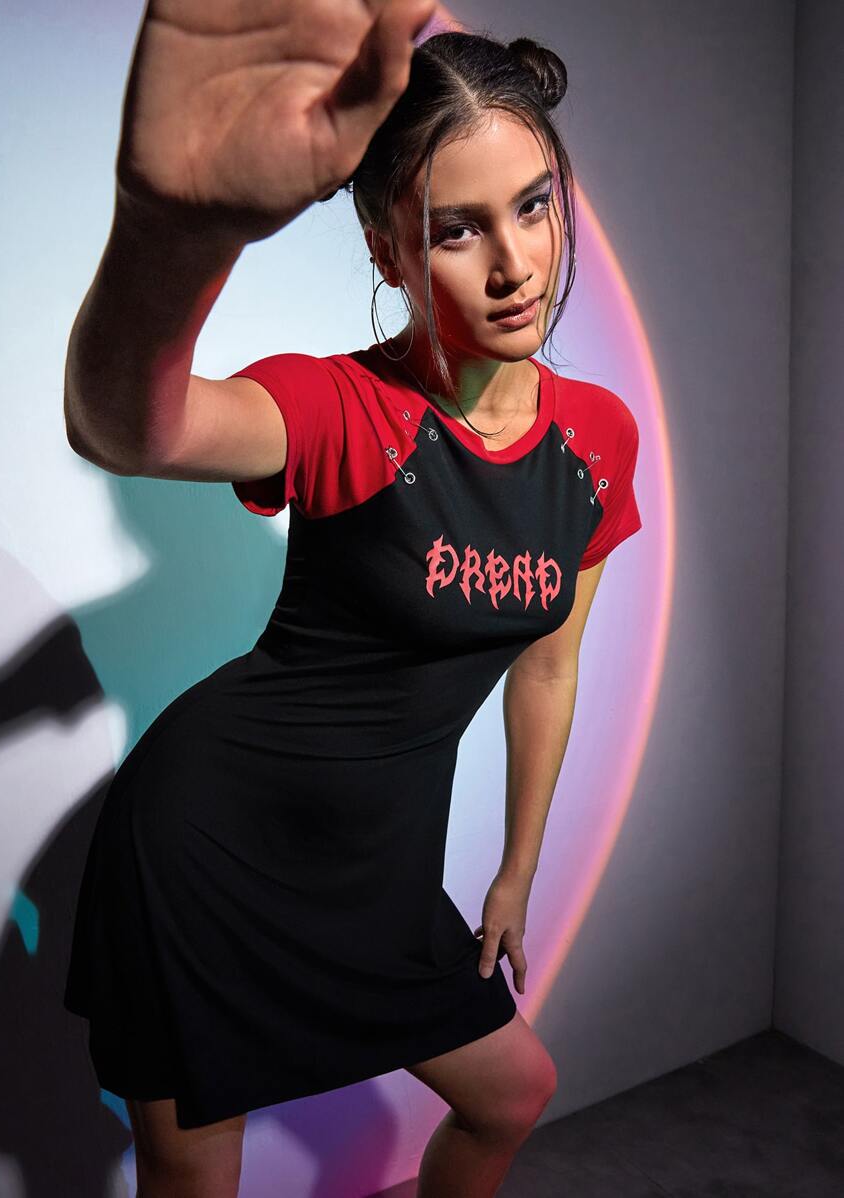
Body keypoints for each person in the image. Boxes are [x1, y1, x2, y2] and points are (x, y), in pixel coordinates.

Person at [62, 2, 643, 1195]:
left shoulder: (597, 440)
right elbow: (127, 428)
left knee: (512, 1092)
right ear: (388, 251)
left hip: (378, 872)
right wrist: (174, 228)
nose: (515, 265)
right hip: (212, 846)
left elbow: (547, 663)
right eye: (456, 229)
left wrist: (516, 868)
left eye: (533, 206)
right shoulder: (346, 411)